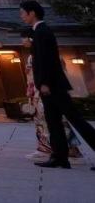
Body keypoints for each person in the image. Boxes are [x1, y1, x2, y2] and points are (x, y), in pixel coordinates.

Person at [23, 0, 95, 170]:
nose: (22, 17)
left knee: (75, 119)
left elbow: (48, 60)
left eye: (23, 13)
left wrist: (45, 82)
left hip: (53, 85)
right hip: (48, 85)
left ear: (32, 13)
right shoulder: (38, 33)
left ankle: (60, 156)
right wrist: (31, 47)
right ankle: (60, 157)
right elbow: (41, 57)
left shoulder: (42, 31)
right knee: (53, 121)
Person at [22, 27, 82, 160]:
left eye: (25, 38)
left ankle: (69, 149)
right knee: (42, 121)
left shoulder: (40, 55)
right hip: (37, 92)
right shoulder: (34, 55)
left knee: (53, 120)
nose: (23, 42)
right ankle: (47, 148)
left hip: (45, 91)